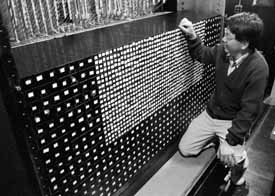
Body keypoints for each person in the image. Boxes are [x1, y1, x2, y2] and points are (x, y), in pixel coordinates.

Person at [178, 12, 269, 195]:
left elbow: (249, 111)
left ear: (244, 44)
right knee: (185, 149)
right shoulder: (223, 51)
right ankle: (215, 141)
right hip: (211, 114)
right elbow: (201, 54)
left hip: (232, 121)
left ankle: (238, 164)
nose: (223, 38)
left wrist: (230, 141)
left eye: (228, 36)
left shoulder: (258, 68)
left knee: (233, 158)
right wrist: (192, 35)